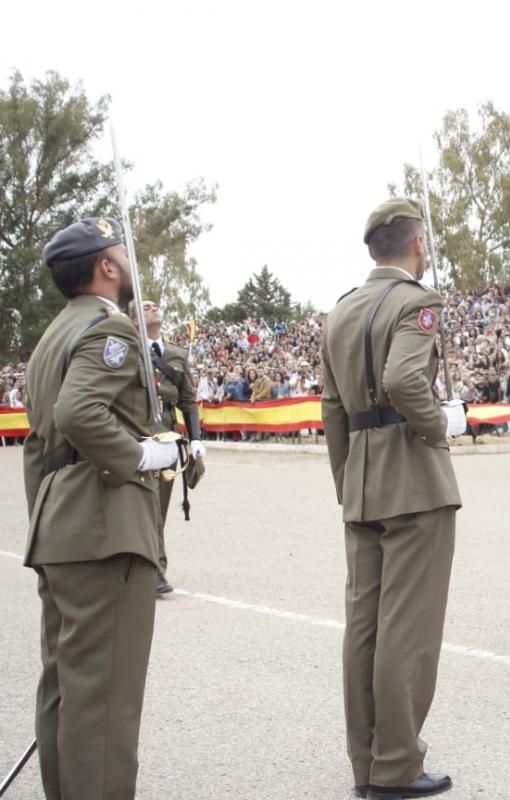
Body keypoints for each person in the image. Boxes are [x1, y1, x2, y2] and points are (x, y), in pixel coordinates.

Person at [22, 217, 178, 799]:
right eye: (123, 254)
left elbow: (40, 450)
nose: (131, 266)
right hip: (103, 527)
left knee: (65, 691)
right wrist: (140, 455)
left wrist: (43, 521)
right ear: (106, 267)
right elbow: (79, 414)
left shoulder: (51, 338)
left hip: (60, 527)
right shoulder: (107, 330)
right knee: (105, 703)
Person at [320, 198, 466, 800]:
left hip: (362, 480)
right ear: (416, 245)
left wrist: (347, 480)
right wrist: (442, 425)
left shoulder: (341, 311)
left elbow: (332, 409)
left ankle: (367, 759)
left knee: (365, 627)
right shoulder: (417, 302)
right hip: (411, 474)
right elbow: (408, 382)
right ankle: (397, 763)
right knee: (407, 628)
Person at [140, 299, 205, 595]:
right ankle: (151, 571)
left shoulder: (176, 354)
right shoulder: (129, 351)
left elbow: (188, 400)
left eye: (154, 305)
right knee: (141, 506)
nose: (152, 308)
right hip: (137, 435)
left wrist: (196, 439)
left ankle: (154, 569)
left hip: (166, 437)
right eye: (144, 306)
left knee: (159, 507)